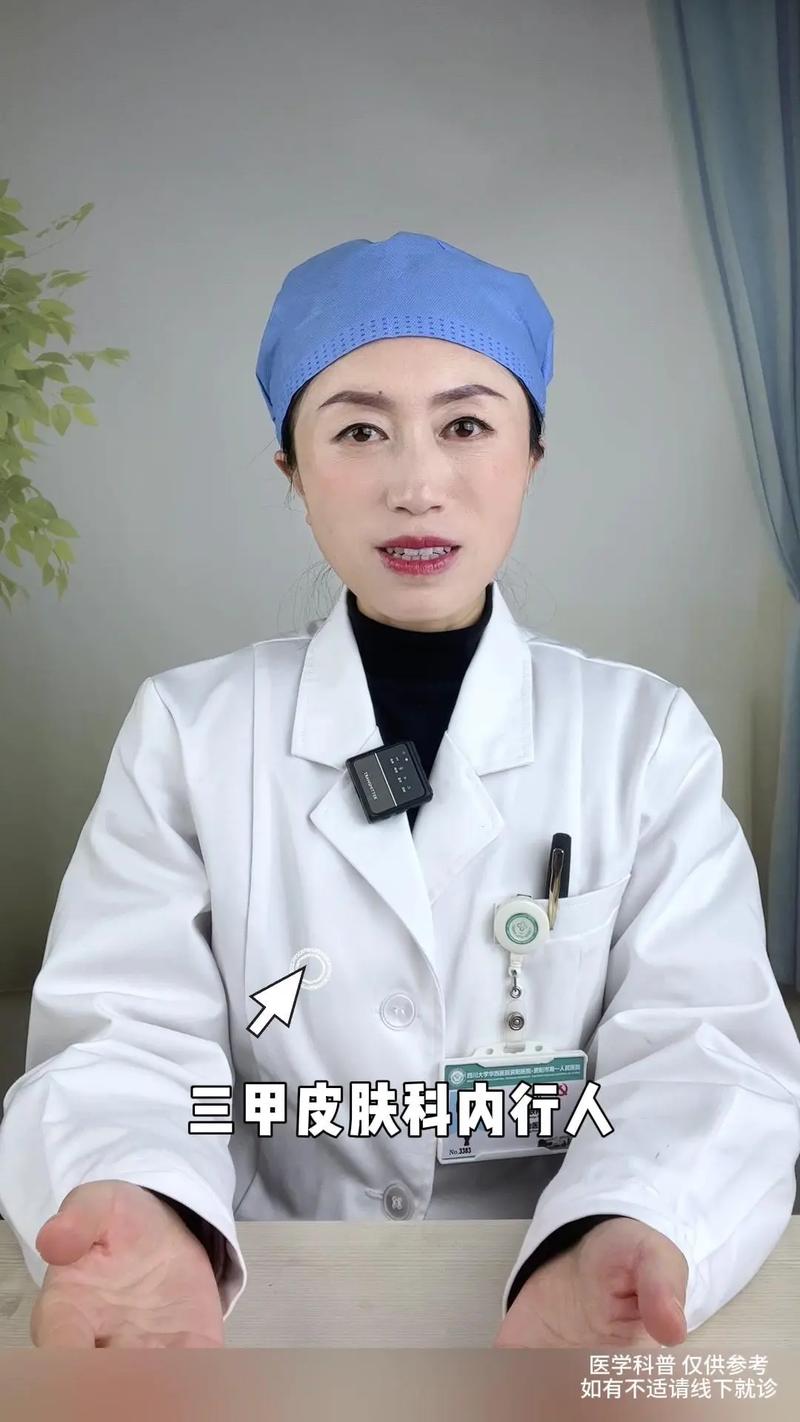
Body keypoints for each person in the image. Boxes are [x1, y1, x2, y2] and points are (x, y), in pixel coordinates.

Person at [1, 230, 799, 1350]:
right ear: (291, 469)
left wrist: (631, 1223)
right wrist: (141, 1206)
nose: (416, 485)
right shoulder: (189, 730)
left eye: (465, 426)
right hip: (256, 1295)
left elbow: (701, 1049)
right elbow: (124, 1035)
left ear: (531, 454)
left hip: (544, 1285)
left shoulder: (643, 737)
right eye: (359, 431)